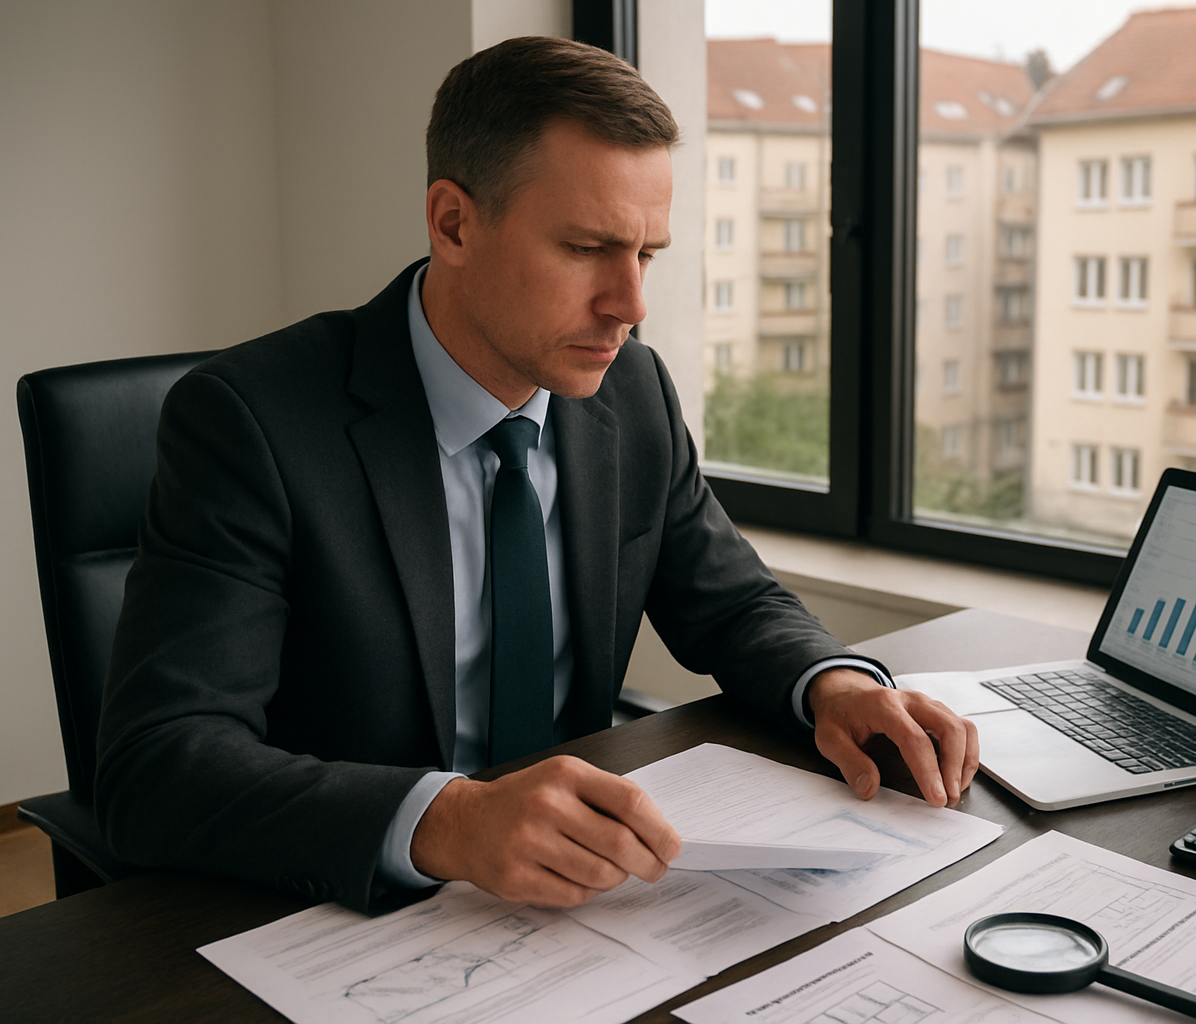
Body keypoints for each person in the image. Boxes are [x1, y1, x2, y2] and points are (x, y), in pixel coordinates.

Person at [95, 36, 978, 916]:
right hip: (348, 907)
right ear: (453, 223)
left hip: (582, 903)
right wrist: (449, 820)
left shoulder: (632, 391)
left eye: (647, 255)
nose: (630, 305)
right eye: (587, 247)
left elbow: (733, 602)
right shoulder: (251, 421)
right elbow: (157, 764)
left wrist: (836, 685)